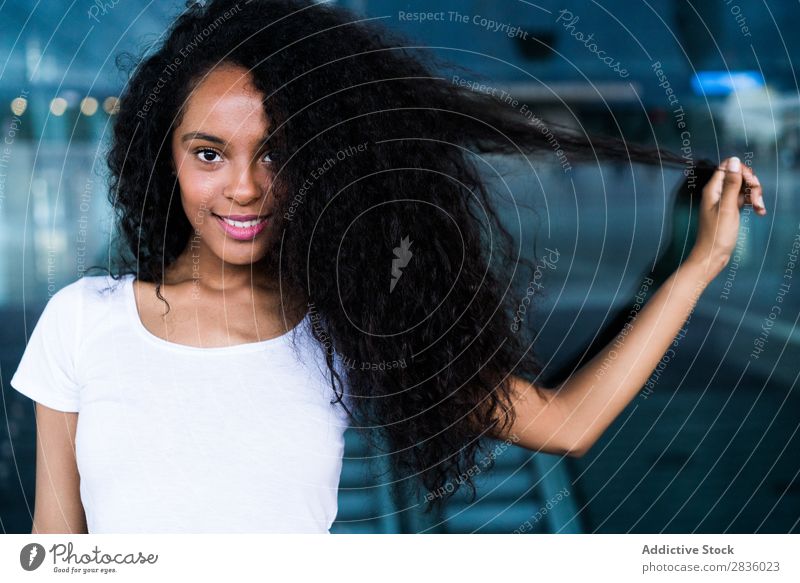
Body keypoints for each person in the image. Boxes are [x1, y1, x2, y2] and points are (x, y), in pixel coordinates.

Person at [10, 0, 767, 534]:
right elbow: (56, 541)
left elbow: (566, 423)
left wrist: (700, 263)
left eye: (278, 152)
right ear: (165, 158)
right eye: (209, 153)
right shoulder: (83, 322)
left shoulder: (347, 317)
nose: (242, 187)